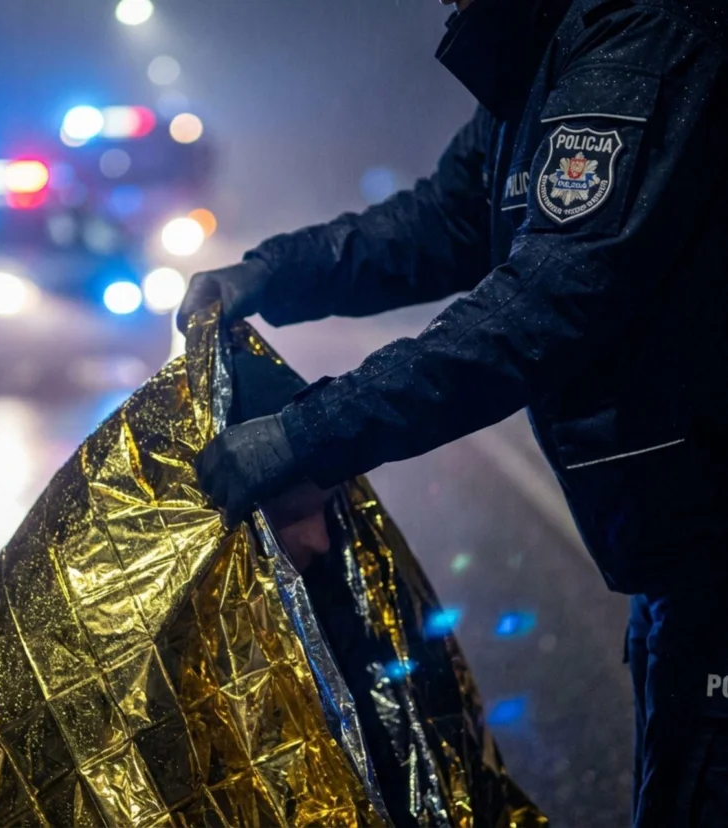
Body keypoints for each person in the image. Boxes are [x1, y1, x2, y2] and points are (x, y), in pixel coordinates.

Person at [178, 0, 728, 824]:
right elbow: (445, 217)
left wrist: (309, 436)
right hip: (682, 550)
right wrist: (271, 273)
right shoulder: (552, 49)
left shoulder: (644, 39)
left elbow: (547, 302)